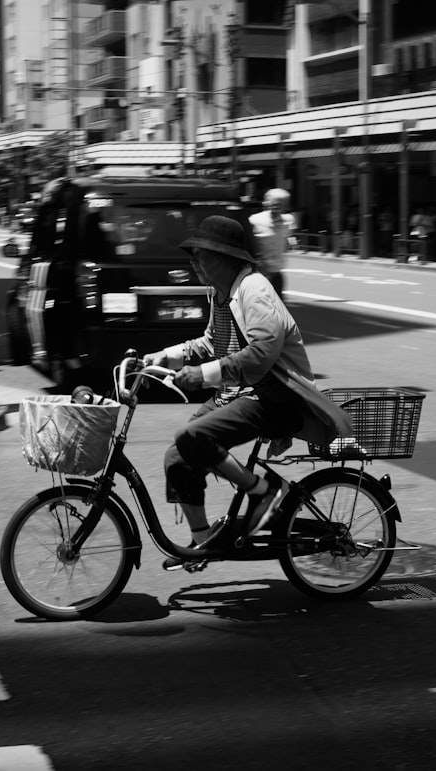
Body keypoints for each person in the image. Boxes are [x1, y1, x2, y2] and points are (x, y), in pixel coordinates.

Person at [142, 215, 351, 571]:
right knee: (177, 457)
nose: (194, 263)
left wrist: (204, 374)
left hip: (273, 396)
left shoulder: (254, 289)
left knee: (192, 436)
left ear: (223, 258)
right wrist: (170, 354)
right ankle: (201, 541)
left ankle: (263, 491)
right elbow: (213, 341)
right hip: (240, 394)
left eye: (201, 256)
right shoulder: (222, 294)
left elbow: (262, 351)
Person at [247, 187, 297, 300]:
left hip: (277, 274)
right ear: (267, 203)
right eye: (275, 203)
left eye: (282, 204)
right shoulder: (255, 220)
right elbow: (247, 245)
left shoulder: (288, 221)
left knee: (279, 310)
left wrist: (290, 242)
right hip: (258, 274)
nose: (277, 207)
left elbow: (288, 237)